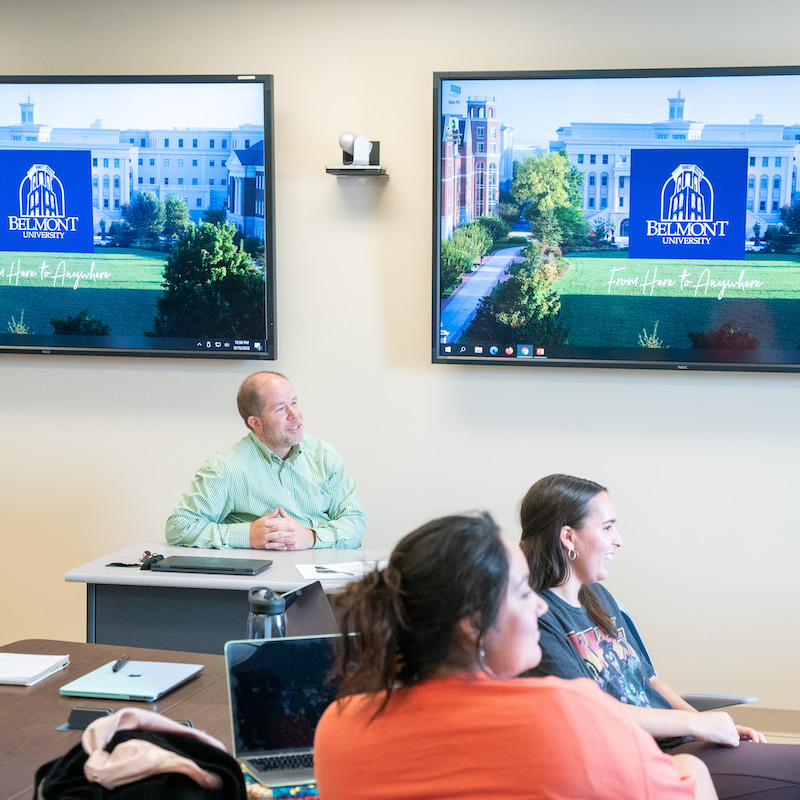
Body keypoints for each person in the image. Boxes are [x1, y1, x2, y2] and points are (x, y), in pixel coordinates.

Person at [314, 512, 717, 800]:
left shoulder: (337, 728)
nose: (540, 607)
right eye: (524, 593)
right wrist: (692, 767)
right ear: (473, 624)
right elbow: (676, 783)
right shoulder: (572, 711)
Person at [519, 473, 800, 800]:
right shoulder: (538, 617)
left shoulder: (598, 596)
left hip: (682, 744)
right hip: (645, 761)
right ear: (568, 537)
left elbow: (651, 682)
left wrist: (709, 726)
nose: (618, 539)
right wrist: (693, 726)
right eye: (607, 527)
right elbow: (590, 713)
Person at [165, 371, 366, 550]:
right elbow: (179, 527)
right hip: (261, 579)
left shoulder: (323, 455)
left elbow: (355, 522)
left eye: (294, 403)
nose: (294, 415)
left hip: (323, 577)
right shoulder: (225, 468)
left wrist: (312, 537)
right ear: (256, 423)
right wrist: (247, 535)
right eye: (280, 409)